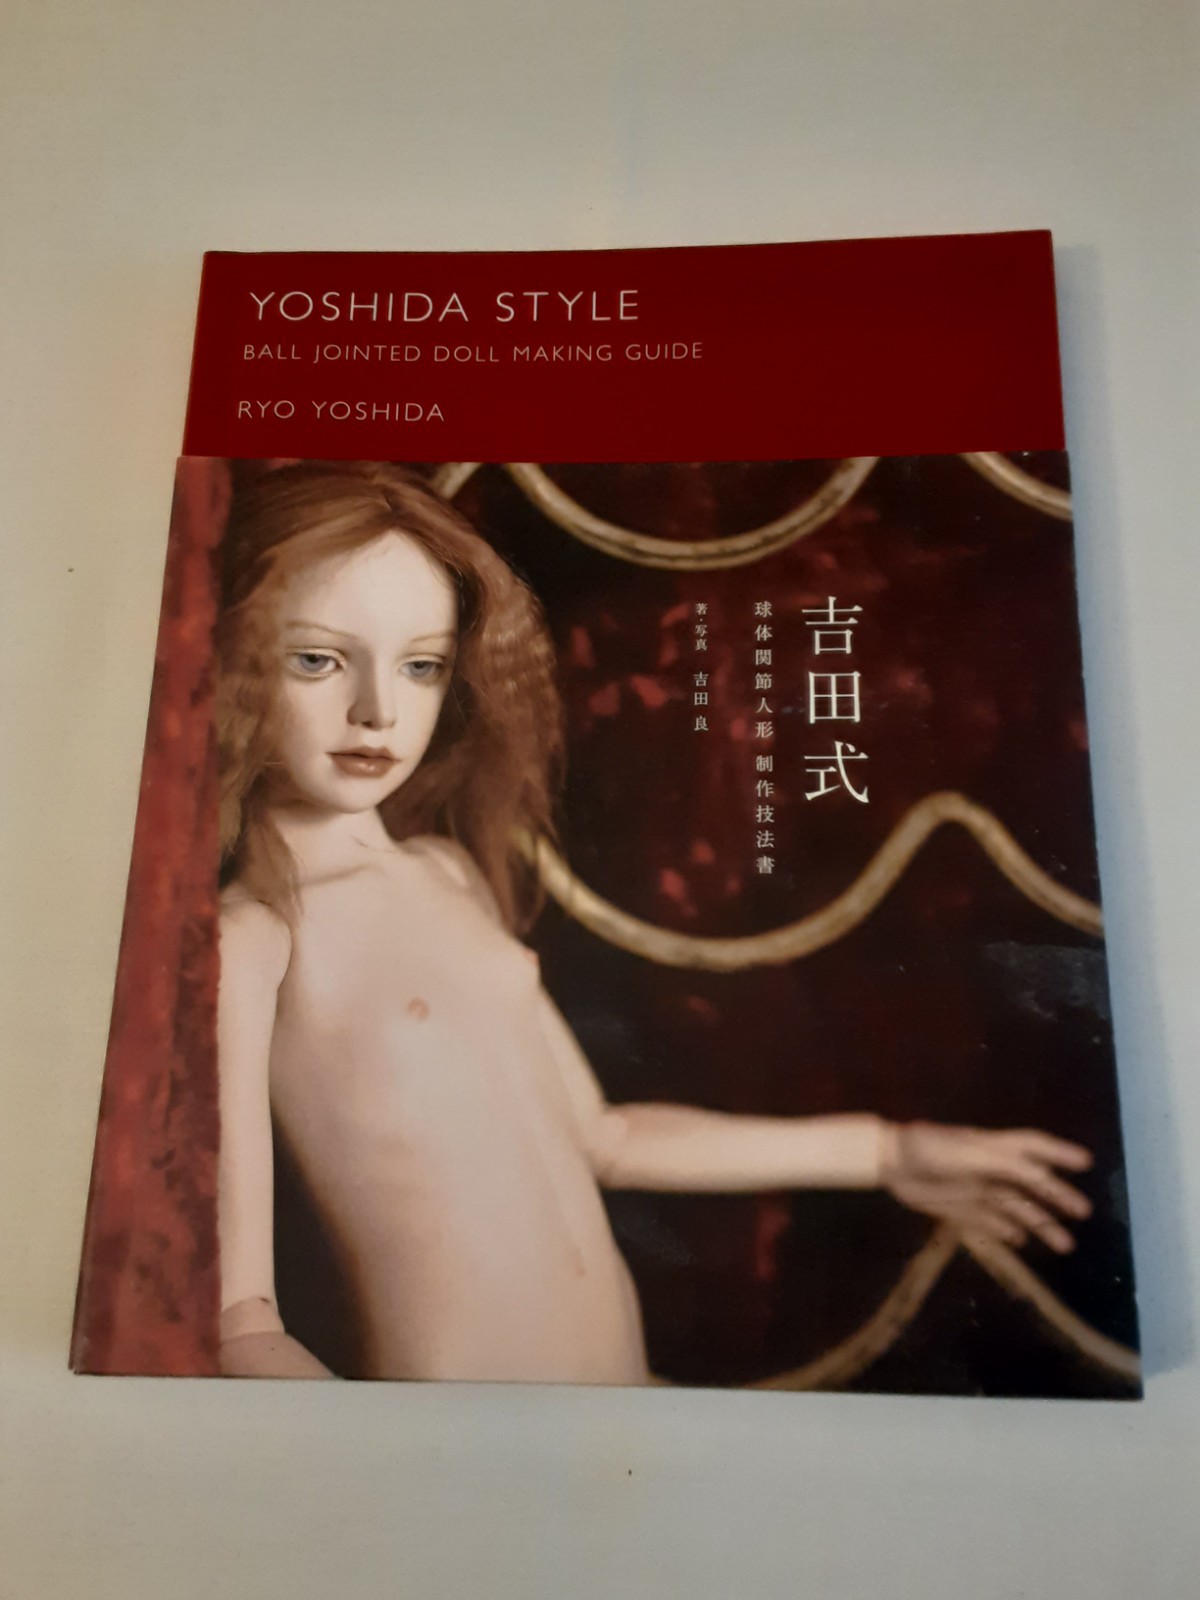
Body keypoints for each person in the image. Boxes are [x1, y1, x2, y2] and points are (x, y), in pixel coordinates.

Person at [215, 461, 1094, 1383]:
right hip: (468, 1437)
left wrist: (887, 1151)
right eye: (317, 659)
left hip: (623, 1402)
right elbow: (240, 1321)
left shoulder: (447, 872)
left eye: (421, 665)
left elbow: (606, 1139)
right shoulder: (257, 937)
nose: (378, 711)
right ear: (233, 660)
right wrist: (376, 1454)